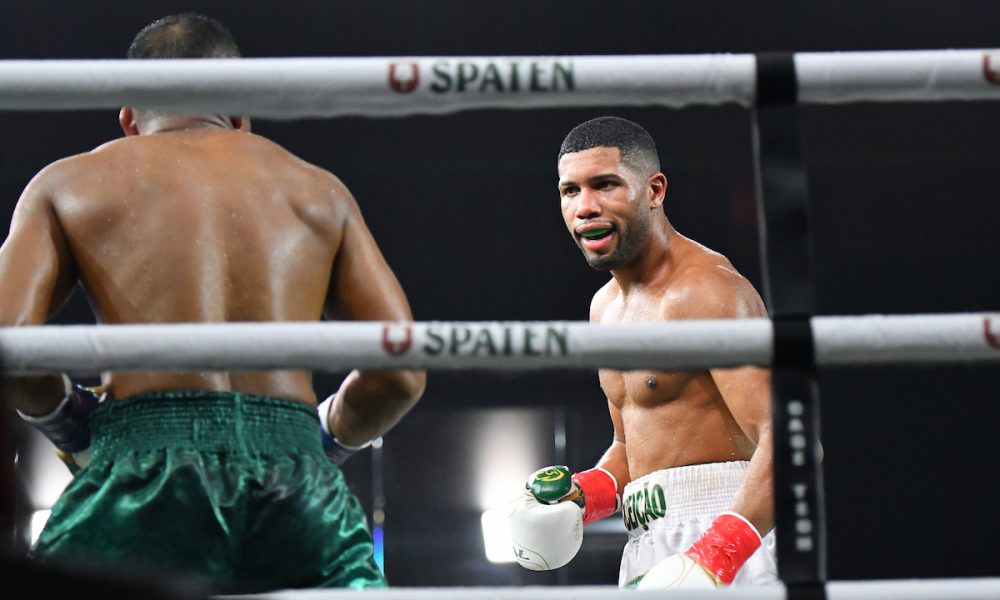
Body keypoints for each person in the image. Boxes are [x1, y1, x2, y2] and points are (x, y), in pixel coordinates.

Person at [0, 13, 425, 593]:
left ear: (129, 118)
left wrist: (71, 424)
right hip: (298, 484)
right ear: (241, 116)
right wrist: (319, 439)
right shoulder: (318, 190)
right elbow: (400, 373)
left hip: (140, 472)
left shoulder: (68, 183)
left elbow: (9, 343)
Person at [507, 116, 777, 588]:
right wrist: (580, 497)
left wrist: (716, 556)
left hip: (730, 534)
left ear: (654, 190)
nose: (584, 207)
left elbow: (790, 443)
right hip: (647, 544)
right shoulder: (604, 307)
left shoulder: (705, 291)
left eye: (604, 185)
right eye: (570, 192)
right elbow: (631, 450)